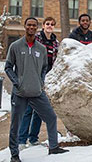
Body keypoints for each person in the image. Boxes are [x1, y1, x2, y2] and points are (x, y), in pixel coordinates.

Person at [5, 17, 68, 162]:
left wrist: (40, 81)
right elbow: (8, 67)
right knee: (16, 124)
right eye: (29, 25)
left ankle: (53, 147)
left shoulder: (41, 48)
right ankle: (14, 155)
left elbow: (45, 66)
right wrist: (16, 82)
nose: (31, 27)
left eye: (34, 25)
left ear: (37, 27)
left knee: (51, 117)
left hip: (37, 92)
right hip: (20, 93)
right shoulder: (15, 46)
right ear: (25, 26)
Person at [18, 17, 60, 150]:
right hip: (33, 78)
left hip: (47, 79)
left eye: (52, 24)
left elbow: (55, 61)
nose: (50, 26)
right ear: (43, 25)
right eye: (47, 24)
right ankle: (21, 140)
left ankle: (33, 138)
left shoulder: (55, 42)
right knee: (28, 110)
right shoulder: (36, 39)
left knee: (39, 111)